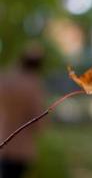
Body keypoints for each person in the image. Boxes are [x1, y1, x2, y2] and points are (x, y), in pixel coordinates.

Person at [0, 46, 45, 178]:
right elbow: (38, 123)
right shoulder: (33, 86)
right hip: (22, 148)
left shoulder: (5, 79)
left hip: (3, 140)